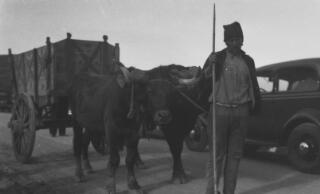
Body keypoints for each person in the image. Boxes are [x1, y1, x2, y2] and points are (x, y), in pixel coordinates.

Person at [203, 21, 261, 194]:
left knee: (235, 156)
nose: (236, 43)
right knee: (217, 156)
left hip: (241, 113)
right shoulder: (217, 58)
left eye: (239, 39)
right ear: (226, 42)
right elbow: (204, 78)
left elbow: (254, 86)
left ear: (243, 40)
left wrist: (254, 107)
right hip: (219, 110)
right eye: (232, 40)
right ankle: (211, 192)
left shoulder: (248, 61)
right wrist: (208, 65)